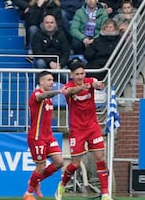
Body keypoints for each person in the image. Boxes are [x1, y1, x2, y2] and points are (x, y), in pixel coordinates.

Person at [54, 59, 111, 200]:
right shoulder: (68, 86)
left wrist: (97, 84)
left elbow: (96, 84)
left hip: (92, 126)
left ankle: (105, 193)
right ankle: (61, 186)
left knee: (100, 158)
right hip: (77, 129)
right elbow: (69, 92)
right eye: (77, 74)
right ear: (72, 75)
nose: (80, 76)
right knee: (75, 164)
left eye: (82, 73)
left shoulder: (89, 80)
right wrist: (84, 87)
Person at [23, 71, 64, 200]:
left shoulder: (49, 101)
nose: (52, 82)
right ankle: (29, 193)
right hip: (37, 137)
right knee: (40, 166)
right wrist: (58, 92)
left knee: (59, 162)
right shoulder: (36, 95)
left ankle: (36, 181)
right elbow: (42, 96)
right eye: (49, 80)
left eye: (52, 80)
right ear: (41, 82)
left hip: (48, 136)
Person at [32, 14, 70, 83]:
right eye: (47, 22)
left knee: (65, 74)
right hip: (45, 62)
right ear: (43, 24)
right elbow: (37, 53)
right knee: (40, 63)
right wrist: (50, 62)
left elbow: (66, 52)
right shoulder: (37, 35)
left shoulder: (61, 34)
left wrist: (60, 64)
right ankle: (39, 87)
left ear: (55, 24)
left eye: (51, 22)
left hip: (59, 63)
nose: (49, 25)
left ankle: (66, 91)